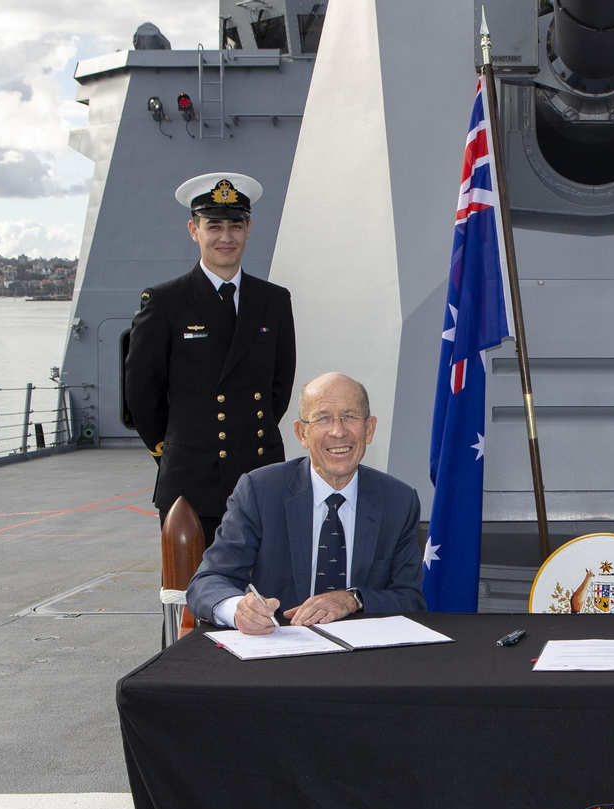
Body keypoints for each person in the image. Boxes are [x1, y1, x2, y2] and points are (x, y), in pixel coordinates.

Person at [125, 172, 297, 546]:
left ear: (249, 229)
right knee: (195, 595)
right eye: (213, 225)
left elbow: (278, 388)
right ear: (193, 229)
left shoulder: (274, 301)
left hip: (259, 470)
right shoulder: (165, 302)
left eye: (235, 226)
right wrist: (177, 449)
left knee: (264, 592)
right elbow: (141, 393)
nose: (225, 237)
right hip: (192, 481)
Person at [186, 373, 425, 630]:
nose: (338, 431)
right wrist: (238, 610)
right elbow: (209, 580)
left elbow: (410, 598)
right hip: (278, 652)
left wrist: (353, 599)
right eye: (323, 418)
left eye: (350, 416)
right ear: (302, 433)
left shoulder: (399, 501)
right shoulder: (260, 491)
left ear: (369, 429)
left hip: (363, 658)